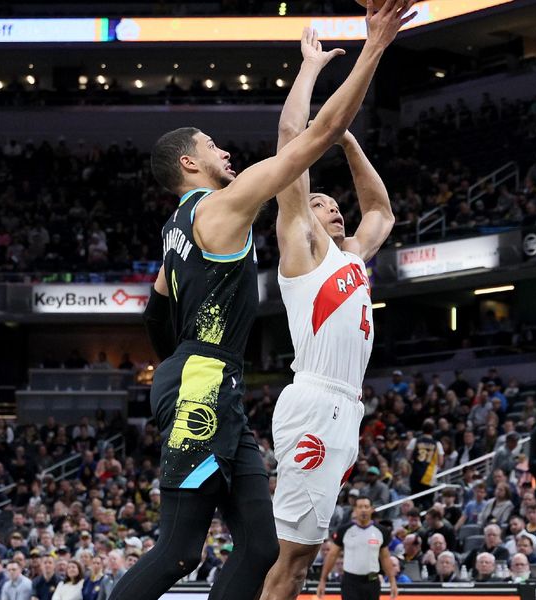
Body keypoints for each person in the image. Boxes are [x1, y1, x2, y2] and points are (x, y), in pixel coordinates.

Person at [114, 5, 412, 599]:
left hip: (212, 379)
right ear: (188, 163)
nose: (226, 153)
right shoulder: (221, 207)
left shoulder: (177, 228)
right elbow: (311, 138)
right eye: (213, 146)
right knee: (179, 551)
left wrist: (175, 366)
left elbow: (157, 308)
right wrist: (375, 43)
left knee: (260, 546)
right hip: (209, 380)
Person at [259, 23, 398, 600]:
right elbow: (292, 135)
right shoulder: (302, 246)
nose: (333, 209)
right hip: (315, 398)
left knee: (302, 550)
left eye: (335, 205)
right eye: (320, 202)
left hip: (347, 407)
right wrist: (311, 69)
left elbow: (381, 211)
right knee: (291, 560)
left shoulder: (352, 257)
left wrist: (346, 141)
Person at [317, 496, 397, 599]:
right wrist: (322, 580)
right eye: (360, 507)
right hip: (350, 581)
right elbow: (332, 555)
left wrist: (392, 582)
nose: (363, 510)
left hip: (372, 580)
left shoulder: (382, 531)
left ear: (372, 509)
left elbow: (385, 558)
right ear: (355, 510)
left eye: (366, 506)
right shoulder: (344, 530)